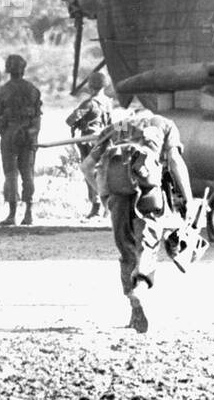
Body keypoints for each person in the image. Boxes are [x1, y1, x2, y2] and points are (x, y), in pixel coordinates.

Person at [81, 105, 196, 333]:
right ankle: (141, 286)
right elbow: (174, 161)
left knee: (126, 250)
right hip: (148, 191)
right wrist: (189, 198)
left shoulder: (119, 126)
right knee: (148, 245)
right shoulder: (163, 124)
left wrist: (104, 195)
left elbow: (86, 167)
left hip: (117, 192)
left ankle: (133, 310)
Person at [0, 54, 42, 226]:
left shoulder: (2, 92)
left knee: (11, 174)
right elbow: (37, 118)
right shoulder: (33, 90)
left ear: (8, 69)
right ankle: (28, 214)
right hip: (28, 134)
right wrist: (34, 136)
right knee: (28, 173)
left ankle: (11, 215)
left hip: (9, 135)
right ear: (23, 69)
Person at [65, 71, 115, 218]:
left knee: (88, 173)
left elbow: (69, 120)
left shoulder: (89, 103)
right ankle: (105, 206)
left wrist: (79, 121)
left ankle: (97, 205)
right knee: (102, 173)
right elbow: (111, 124)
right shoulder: (107, 102)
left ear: (91, 86)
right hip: (104, 140)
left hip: (88, 141)